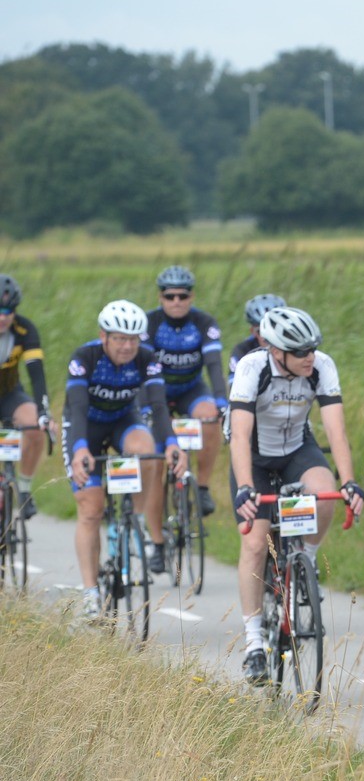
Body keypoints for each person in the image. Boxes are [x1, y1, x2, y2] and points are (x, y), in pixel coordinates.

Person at [228, 308, 364, 685]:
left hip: (295, 450)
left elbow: (336, 431)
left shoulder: (321, 366)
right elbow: (239, 435)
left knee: (324, 492)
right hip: (254, 456)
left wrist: (349, 481)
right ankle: (254, 642)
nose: (310, 357)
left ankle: (306, 560)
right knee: (256, 543)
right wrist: (245, 487)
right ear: (276, 351)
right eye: (301, 351)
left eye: (313, 349)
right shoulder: (252, 368)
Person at [63, 301, 186, 619]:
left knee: (148, 451)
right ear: (104, 336)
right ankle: (91, 592)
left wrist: (173, 443)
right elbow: (77, 408)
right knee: (91, 510)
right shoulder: (84, 358)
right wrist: (80, 450)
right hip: (84, 428)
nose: (127, 346)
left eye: (133, 339)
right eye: (120, 339)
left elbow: (158, 406)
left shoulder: (146, 358)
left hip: (122, 421)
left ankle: (134, 521)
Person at [143, 265, 228, 518]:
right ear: (160, 297)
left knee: (210, 416)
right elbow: (141, 369)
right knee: (158, 448)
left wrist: (222, 403)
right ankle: (156, 518)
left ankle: (202, 488)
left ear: (192, 297)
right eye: (170, 296)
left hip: (191, 388)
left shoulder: (204, 323)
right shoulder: (150, 323)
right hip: (156, 390)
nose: (176, 301)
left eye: (183, 295)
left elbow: (214, 365)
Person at [0, 274, 52, 519]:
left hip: (10, 393)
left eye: (8, 311)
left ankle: (23, 490)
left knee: (35, 426)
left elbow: (37, 375)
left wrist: (44, 412)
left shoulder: (25, 329)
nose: (2, 317)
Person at [229, 293, 287, 380]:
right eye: (261, 331)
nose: (268, 336)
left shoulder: (295, 347)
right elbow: (234, 384)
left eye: (274, 329)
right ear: (252, 331)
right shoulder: (242, 350)